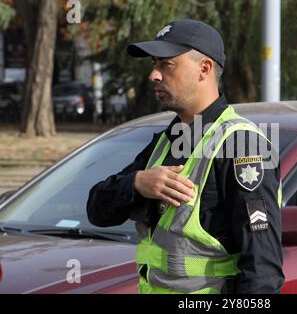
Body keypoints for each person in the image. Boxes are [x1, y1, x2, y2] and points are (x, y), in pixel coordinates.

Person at [86, 19, 284, 294]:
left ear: (204, 69)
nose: (154, 75)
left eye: (165, 64)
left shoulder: (243, 146)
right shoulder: (169, 141)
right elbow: (97, 210)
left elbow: (263, 271)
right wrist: (136, 184)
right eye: (154, 64)